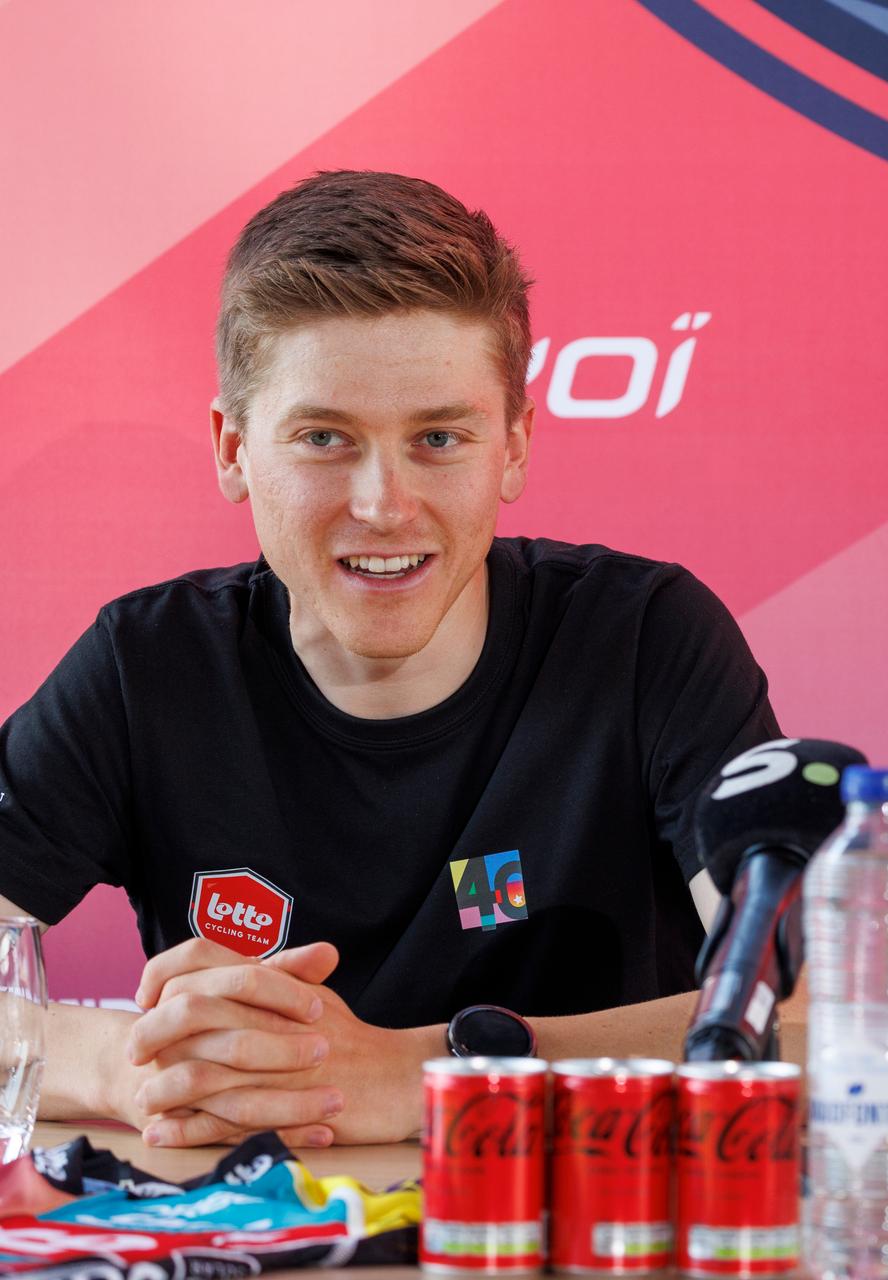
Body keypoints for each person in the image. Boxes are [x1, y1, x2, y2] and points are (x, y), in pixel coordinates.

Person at [0, 171, 780, 1147]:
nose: (384, 503)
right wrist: (117, 1060)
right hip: (244, 1235)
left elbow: (817, 1015)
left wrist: (431, 1073)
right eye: (324, 437)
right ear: (232, 449)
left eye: (439, 438)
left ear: (515, 445)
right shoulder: (145, 665)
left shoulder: (647, 639)